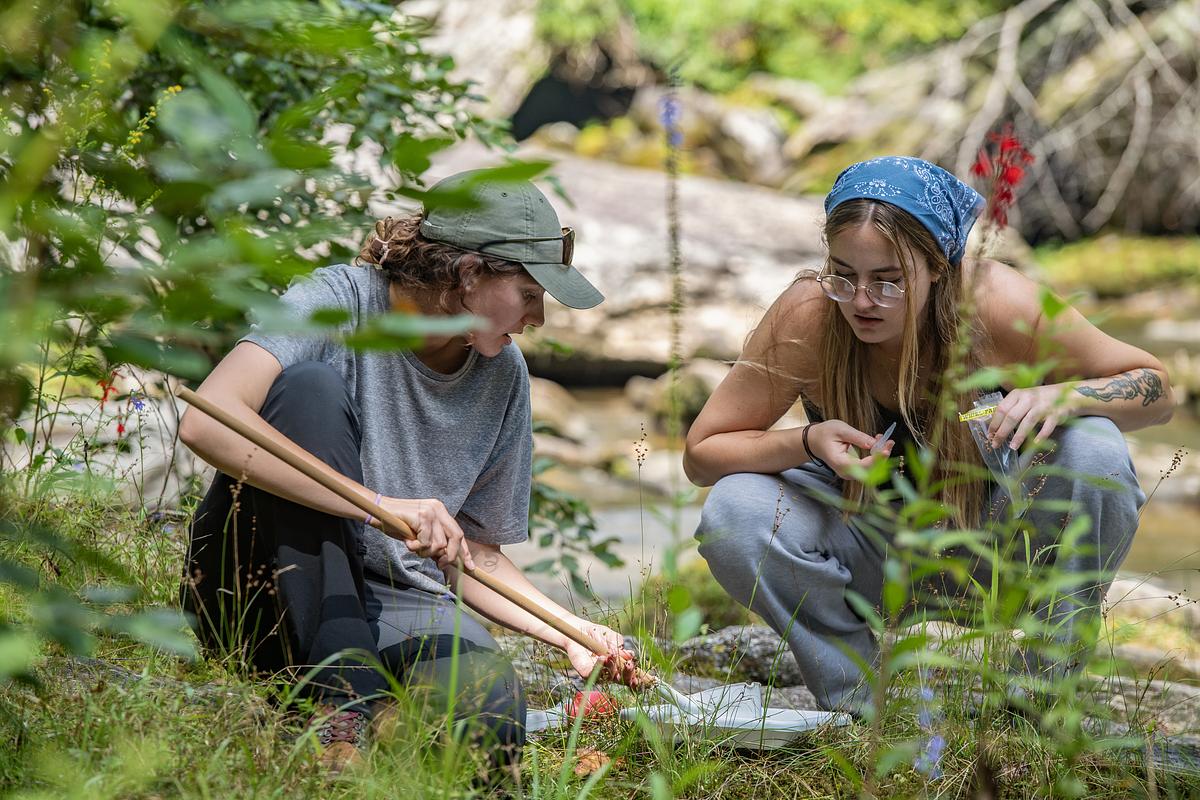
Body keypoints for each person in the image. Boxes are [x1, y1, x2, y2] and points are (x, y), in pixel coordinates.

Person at [683, 156, 1175, 714]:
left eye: (888, 282)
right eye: (843, 275)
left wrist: (1064, 396)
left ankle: (1036, 701)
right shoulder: (811, 316)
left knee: (1096, 449)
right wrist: (803, 443)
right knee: (734, 512)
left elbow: (1157, 387)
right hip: (868, 553)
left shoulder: (998, 305)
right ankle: (856, 705)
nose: (862, 301)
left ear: (938, 265)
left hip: (998, 555)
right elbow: (702, 455)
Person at [179, 169, 627, 772]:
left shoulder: (502, 375)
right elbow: (207, 420)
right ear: (469, 275)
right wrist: (378, 507)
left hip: (394, 596)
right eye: (529, 293)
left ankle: (364, 703)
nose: (538, 317)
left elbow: (478, 555)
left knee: (491, 716)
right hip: (265, 580)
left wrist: (569, 631)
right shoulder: (339, 300)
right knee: (310, 390)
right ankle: (342, 706)